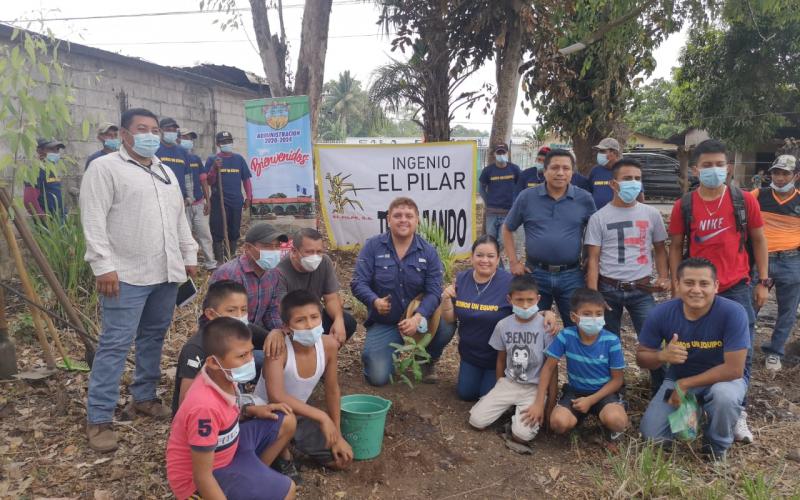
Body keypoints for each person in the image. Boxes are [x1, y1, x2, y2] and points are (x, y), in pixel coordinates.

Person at [80, 107, 198, 452]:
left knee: (153, 337)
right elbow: (93, 219)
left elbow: (179, 220)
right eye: (142, 129)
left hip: (164, 272)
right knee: (115, 343)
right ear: (125, 134)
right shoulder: (105, 169)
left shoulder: (164, 172)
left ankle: (143, 397)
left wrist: (188, 255)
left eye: (155, 130)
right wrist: (103, 266)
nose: (151, 135)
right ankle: (99, 417)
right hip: (125, 274)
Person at [667, 139, 768, 443]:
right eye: (707, 165)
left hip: (735, 287)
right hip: (695, 291)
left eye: (719, 164)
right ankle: (688, 412)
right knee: (687, 348)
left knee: (742, 351)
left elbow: (759, 240)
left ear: (729, 167)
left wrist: (763, 281)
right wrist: (675, 284)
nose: (714, 170)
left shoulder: (744, 200)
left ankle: (737, 410)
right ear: (695, 169)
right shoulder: (684, 205)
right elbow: (675, 247)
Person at [166, 317, 297, 500]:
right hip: (202, 476)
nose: (250, 360)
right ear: (212, 362)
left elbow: (229, 410)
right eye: (242, 356)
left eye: (251, 352)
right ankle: (253, 483)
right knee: (287, 490)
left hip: (229, 447)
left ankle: (254, 477)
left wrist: (251, 410)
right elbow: (202, 476)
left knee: (286, 419)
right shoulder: (204, 407)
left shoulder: (222, 376)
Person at [637, 258, 749, 461]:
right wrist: (662, 356)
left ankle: (717, 447)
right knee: (652, 437)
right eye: (689, 283)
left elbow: (735, 370)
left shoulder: (733, 313)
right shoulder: (661, 313)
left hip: (723, 380)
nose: (696, 290)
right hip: (678, 378)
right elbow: (641, 358)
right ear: (677, 285)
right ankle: (694, 412)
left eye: (704, 283)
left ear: (716, 286)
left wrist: (685, 385)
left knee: (724, 396)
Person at [585, 158, 670, 393]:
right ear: (614, 184)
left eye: (637, 179)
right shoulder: (599, 217)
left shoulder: (651, 214)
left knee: (652, 342)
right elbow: (593, 258)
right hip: (608, 289)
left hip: (642, 290)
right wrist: (594, 296)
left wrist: (664, 276)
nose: (633, 183)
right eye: (627, 179)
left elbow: (660, 249)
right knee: (609, 344)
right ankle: (614, 392)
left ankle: (661, 390)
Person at [351, 197, 453, 386]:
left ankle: (427, 360)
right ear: (389, 219)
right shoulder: (372, 247)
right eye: (397, 215)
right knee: (378, 377)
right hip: (386, 323)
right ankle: (386, 353)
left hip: (421, 321)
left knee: (447, 322)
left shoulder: (428, 252)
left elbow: (433, 291)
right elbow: (358, 283)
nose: (403, 220)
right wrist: (374, 301)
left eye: (409, 215)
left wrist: (418, 317)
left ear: (417, 220)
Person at [256, 290, 354, 471]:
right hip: (268, 413)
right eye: (300, 320)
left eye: (314, 317)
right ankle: (282, 455)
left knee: (339, 460)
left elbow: (332, 389)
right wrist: (322, 417)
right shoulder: (279, 350)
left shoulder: (329, 346)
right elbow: (276, 396)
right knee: (284, 423)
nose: (309, 325)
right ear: (286, 327)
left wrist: (337, 434)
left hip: (298, 412)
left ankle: (290, 441)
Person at [502, 149, 597, 327]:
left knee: (577, 326)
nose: (560, 173)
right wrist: (514, 262)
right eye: (554, 167)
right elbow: (507, 228)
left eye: (565, 168)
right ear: (544, 171)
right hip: (535, 273)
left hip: (572, 275)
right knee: (532, 326)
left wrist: (589, 260)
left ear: (572, 172)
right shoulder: (527, 197)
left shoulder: (584, 199)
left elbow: (595, 233)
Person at [468, 275, 557, 454]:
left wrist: (548, 404)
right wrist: (500, 383)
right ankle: (509, 408)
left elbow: (552, 368)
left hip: (534, 388)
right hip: (510, 383)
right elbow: (501, 358)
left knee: (522, 435)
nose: (525, 305)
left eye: (530, 300)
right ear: (510, 300)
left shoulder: (546, 327)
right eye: (519, 300)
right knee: (476, 422)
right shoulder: (503, 325)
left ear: (538, 299)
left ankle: (515, 421)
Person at [172, 280, 286, 415]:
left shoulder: (243, 330)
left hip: (234, 404)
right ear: (211, 314)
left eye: (243, 310)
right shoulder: (196, 349)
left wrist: (277, 332)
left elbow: (270, 339)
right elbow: (186, 406)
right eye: (231, 310)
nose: (239, 316)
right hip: (208, 419)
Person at [533, 288, 628, 439]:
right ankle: (577, 418)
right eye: (587, 314)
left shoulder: (611, 341)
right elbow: (548, 368)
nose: (594, 318)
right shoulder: (566, 336)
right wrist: (539, 403)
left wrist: (590, 400)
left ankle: (610, 417)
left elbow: (617, 379)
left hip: (604, 392)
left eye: (598, 314)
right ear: (573, 316)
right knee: (558, 423)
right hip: (575, 392)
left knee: (617, 421)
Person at [751, 155, 800, 372]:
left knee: (787, 311)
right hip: (761, 260)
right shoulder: (757, 196)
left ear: (795, 176)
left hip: (792, 261)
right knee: (751, 306)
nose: (779, 178)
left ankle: (775, 352)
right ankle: (743, 347)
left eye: (785, 173)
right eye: (776, 172)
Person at [275, 228, 357, 347]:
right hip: (292, 321)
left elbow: (331, 298)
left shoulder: (324, 262)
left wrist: (338, 320)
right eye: (309, 252)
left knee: (347, 322)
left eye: (319, 252)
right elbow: (281, 311)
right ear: (294, 251)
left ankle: (322, 358)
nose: (315, 257)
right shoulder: (279, 271)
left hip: (314, 316)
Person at [210, 222, 288, 332]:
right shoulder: (228, 274)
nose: (274, 251)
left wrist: (280, 332)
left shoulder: (274, 273)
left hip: (256, 333)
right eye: (267, 246)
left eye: (277, 246)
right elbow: (215, 317)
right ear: (248, 248)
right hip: (228, 334)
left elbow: (272, 310)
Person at [206, 131, 253, 263]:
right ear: (218, 144)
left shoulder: (239, 159)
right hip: (218, 201)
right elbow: (209, 181)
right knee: (217, 231)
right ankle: (219, 261)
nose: (227, 144)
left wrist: (248, 197)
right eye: (223, 142)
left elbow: (246, 180)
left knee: (234, 231)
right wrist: (214, 169)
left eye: (229, 141)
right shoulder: (212, 159)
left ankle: (230, 257)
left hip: (235, 201)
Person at [179, 129, 216, 272]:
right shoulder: (176, 159)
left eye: (190, 138)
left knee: (205, 235)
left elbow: (203, 180)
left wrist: (208, 200)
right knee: (184, 237)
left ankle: (210, 264)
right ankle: (186, 265)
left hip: (199, 204)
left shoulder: (195, 159)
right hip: (183, 206)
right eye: (184, 137)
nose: (188, 140)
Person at [479, 142, 521, 257]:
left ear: (507, 153)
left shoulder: (514, 169)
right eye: (499, 152)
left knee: (502, 242)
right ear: (495, 154)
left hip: (508, 213)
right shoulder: (488, 171)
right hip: (492, 213)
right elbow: (481, 188)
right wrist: (488, 202)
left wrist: (516, 203)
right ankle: (497, 267)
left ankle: (497, 265)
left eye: (503, 152)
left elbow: (520, 187)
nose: (501, 155)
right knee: (491, 241)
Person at [23, 138, 67, 218]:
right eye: (51, 149)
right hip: (48, 223)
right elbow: (29, 200)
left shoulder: (51, 169)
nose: (56, 152)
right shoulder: (35, 170)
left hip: (58, 219)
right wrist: (43, 218)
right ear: (40, 151)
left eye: (57, 149)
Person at [588, 137, 635, 209]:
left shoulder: (627, 171)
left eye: (602, 151)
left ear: (614, 153)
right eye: (599, 151)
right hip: (598, 217)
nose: (599, 154)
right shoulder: (595, 171)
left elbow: (639, 198)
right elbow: (590, 192)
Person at [156, 117, 190, 202]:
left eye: (174, 130)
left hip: (180, 198)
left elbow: (188, 176)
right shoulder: (154, 149)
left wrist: (189, 197)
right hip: (160, 199)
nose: (171, 132)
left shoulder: (182, 151)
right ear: (160, 131)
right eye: (168, 130)